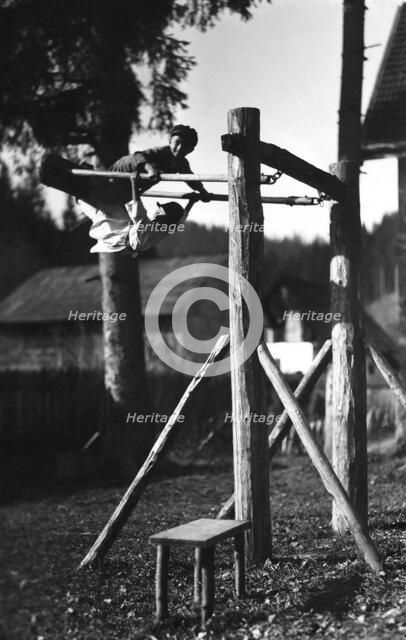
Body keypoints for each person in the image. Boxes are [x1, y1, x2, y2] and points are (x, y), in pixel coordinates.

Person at [110, 124, 211, 201]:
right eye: (177, 143)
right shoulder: (160, 151)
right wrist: (150, 168)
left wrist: (203, 192)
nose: (179, 148)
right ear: (170, 141)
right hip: (119, 173)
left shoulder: (182, 163)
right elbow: (137, 156)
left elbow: (190, 178)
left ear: (190, 150)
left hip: (129, 187)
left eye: (185, 146)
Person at [78, 192, 200, 255]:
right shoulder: (167, 229)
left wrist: (133, 182)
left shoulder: (149, 227)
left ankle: (79, 198)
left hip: (118, 239)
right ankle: (84, 196)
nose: (157, 211)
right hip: (127, 231)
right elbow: (181, 218)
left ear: (165, 217)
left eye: (160, 211)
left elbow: (136, 205)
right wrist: (192, 202)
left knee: (100, 214)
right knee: (113, 209)